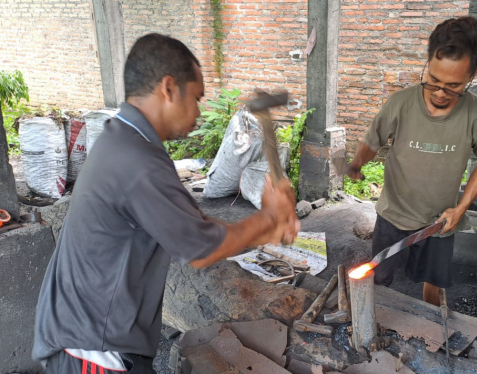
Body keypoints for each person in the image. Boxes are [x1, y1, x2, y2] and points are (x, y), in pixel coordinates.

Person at [32, 33, 300, 373]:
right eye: (198, 98)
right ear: (169, 89)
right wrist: (269, 217)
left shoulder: (125, 138)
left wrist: (266, 230)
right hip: (93, 348)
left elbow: (193, 225)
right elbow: (202, 249)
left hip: (90, 334)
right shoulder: (136, 159)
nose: (200, 112)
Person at [346, 17, 477, 306]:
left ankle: (430, 332)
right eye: (433, 81)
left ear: (473, 75)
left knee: (433, 284)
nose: (440, 93)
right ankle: (374, 318)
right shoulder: (401, 103)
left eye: (453, 86)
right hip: (393, 214)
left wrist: (460, 209)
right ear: (428, 63)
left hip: (438, 221)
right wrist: (357, 163)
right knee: (377, 276)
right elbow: (372, 141)